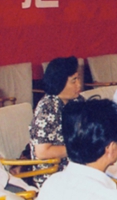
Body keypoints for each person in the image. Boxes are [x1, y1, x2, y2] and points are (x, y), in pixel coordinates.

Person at [30, 56, 84, 187]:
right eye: (74, 81)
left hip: (76, 166)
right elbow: (42, 152)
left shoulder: (77, 100)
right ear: (59, 82)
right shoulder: (47, 108)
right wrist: (80, 149)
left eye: (78, 79)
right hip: (53, 174)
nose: (79, 85)